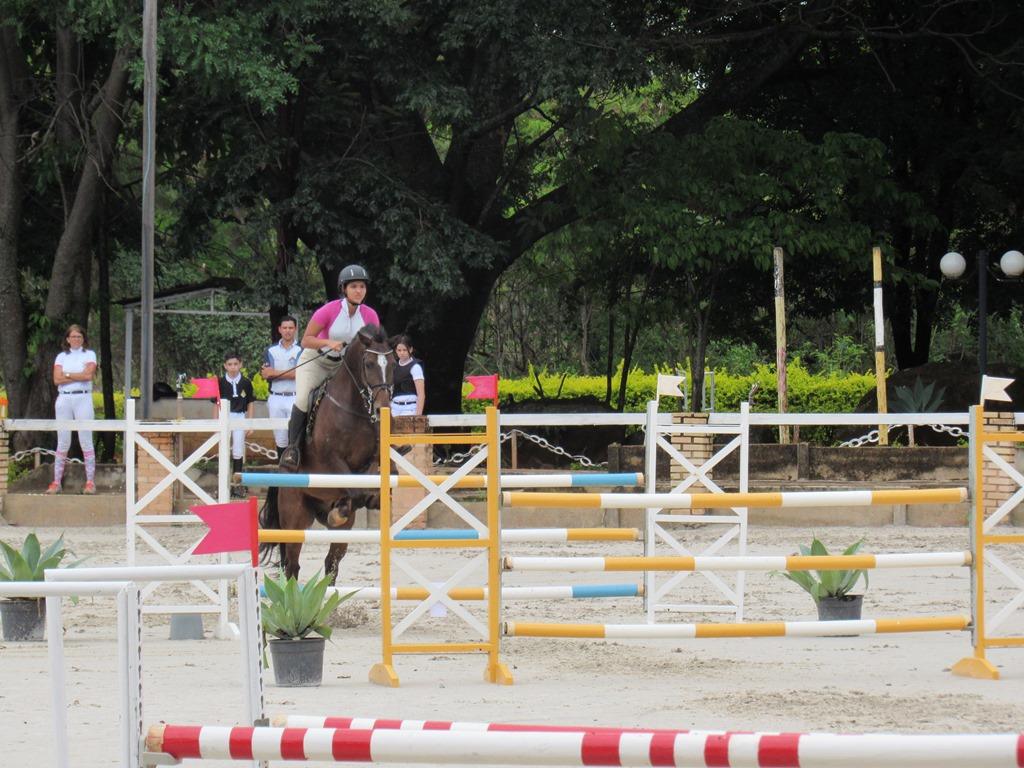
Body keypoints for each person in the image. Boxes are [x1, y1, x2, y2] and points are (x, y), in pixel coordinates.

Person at [278, 264, 380, 470]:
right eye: (354, 287)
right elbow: (306, 340)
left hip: (344, 367)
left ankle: (381, 444)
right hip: (316, 361)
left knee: (371, 395)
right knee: (303, 399)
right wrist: (328, 343)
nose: (359, 291)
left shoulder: (370, 315)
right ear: (344, 289)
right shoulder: (328, 310)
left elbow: (375, 345)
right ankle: (293, 450)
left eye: (362, 286)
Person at [47, 324, 98, 494]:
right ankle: (56, 481)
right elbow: (56, 379)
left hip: (83, 397)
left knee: (86, 439)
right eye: (73, 336)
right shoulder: (61, 356)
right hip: (64, 398)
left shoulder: (89, 354)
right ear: (67, 339)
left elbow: (88, 375)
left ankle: (90, 481)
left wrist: (67, 375)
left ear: (83, 338)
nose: (76, 339)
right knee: (63, 440)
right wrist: (76, 376)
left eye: (79, 336)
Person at [213, 352, 255, 492]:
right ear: (225, 366)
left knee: (238, 449)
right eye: (230, 364)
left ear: (241, 364)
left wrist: (249, 423)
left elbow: (250, 403)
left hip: (240, 416)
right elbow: (216, 403)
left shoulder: (246, 382)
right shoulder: (220, 382)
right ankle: (223, 485)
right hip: (224, 416)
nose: (233, 367)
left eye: (236, 364)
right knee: (223, 449)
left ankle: (237, 485)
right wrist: (215, 423)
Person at [261, 316, 301, 454]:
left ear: (295, 329)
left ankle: (295, 470)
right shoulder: (270, 350)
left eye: (290, 328)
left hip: (295, 397)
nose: (287, 331)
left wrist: (275, 373)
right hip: (276, 397)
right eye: (285, 328)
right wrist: (289, 373)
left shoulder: (301, 350)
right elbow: (266, 374)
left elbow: (299, 374)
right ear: (279, 329)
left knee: (295, 436)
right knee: (280, 438)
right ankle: (281, 469)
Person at [390, 335, 425, 416]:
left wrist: (418, 416)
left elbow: (421, 394)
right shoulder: (393, 366)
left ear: (411, 349)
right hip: (394, 408)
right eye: (399, 350)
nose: (402, 353)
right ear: (396, 351)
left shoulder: (415, 367)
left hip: (410, 408)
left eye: (404, 350)